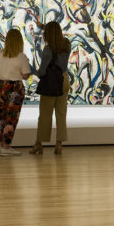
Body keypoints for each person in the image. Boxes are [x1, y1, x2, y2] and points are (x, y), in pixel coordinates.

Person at [30, 20, 71, 155]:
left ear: (47, 34)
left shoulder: (47, 50)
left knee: (45, 115)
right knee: (61, 113)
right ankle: (59, 144)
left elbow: (42, 71)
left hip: (50, 83)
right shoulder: (66, 44)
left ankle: (39, 144)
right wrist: (43, 26)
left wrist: (36, 72)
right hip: (63, 80)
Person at [0, 28, 31, 156]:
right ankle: (6, 147)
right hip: (15, 88)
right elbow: (25, 76)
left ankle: (2, 145)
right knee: (12, 117)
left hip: (1, 86)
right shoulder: (22, 57)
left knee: (1, 116)